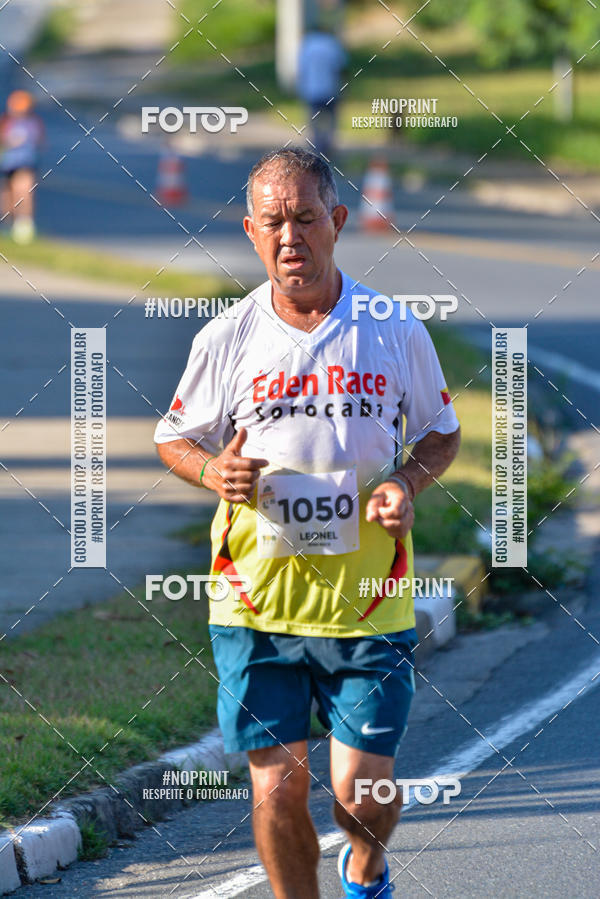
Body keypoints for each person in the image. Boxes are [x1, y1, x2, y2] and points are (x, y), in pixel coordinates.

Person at [154, 147, 460, 898]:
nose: (290, 237)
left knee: (363, 794)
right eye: (273, 223)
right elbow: (173, 436)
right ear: (251, 233)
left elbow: (442, 430)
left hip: (368, 601)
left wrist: (408, 482)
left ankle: (366, 864)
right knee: (279, 789)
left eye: (306, 218)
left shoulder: (392, 329)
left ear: (338, 222)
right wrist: (211, 471)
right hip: (256, 602)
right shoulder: (224, 338)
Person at [0, 90, 44, 244]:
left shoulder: (33, 122)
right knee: (8, 196)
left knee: (24, 191)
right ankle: (9, 224)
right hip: (8, 164)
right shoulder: (6, 121)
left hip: (26, 163)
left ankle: (24, 225)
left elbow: (40, 141)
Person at [297, 26, 346, 158]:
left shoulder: (307, 44)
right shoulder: (332, 44)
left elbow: (302, 69)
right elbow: (340, 66)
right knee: (331, 119)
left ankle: (317, 145)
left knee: (314, 119)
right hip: (330, 88)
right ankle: (328, 144)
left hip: (312, 89)